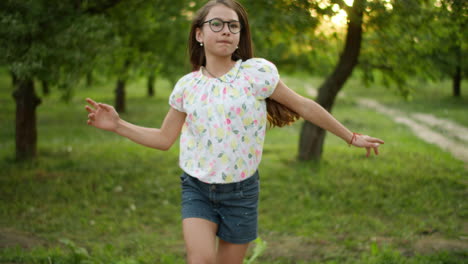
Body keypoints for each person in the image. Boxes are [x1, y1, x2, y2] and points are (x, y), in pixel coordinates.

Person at [85, 0, 384, 263]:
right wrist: (118, 125)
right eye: (216, 24)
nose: (226, 30)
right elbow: (164, 140)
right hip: (197, 188)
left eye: (233, 25)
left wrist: (351, 137)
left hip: (241, 193)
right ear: (199, 34)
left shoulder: (256, 74)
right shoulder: (187, 87)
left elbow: (305, 106)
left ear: (240, 35)